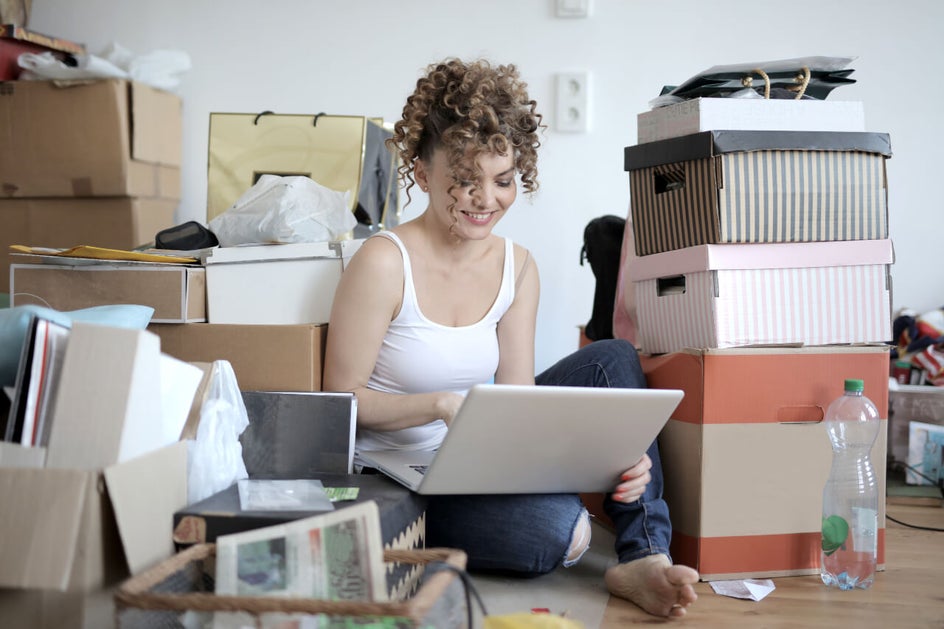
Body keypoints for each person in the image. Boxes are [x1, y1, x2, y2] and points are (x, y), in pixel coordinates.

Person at [323, 58, 699, 618]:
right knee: (559, 533)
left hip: (481, 458)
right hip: (399, 476)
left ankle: (644, 554)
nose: (485, 200)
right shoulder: (383, 262)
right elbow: (341, 400)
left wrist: (614, 457)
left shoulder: (517, 267)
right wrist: (440, 405)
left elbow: (520, 407)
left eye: (502, 181)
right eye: (464, 181)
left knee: (613, 359)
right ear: (422, 174)